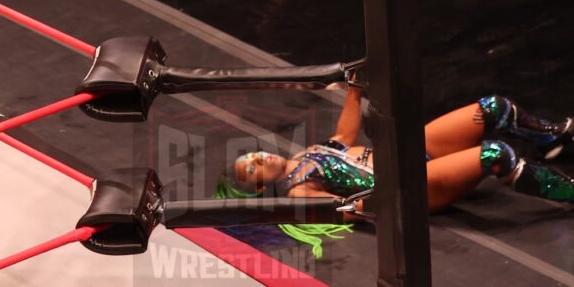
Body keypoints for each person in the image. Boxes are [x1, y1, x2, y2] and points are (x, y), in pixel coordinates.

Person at [216, 80, 574, 254]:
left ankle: (549, 138)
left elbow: (343, 135)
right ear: (262, 187)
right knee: (495, 154)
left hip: (407, 154)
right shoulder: (298, 190)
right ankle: (568, 190)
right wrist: (366, 204)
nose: (259, 159)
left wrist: (353, 89)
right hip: (412, 184)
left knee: (493, 107)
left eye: (253, 155)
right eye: (253, 169)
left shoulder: (311, 152)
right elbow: (343, 213)